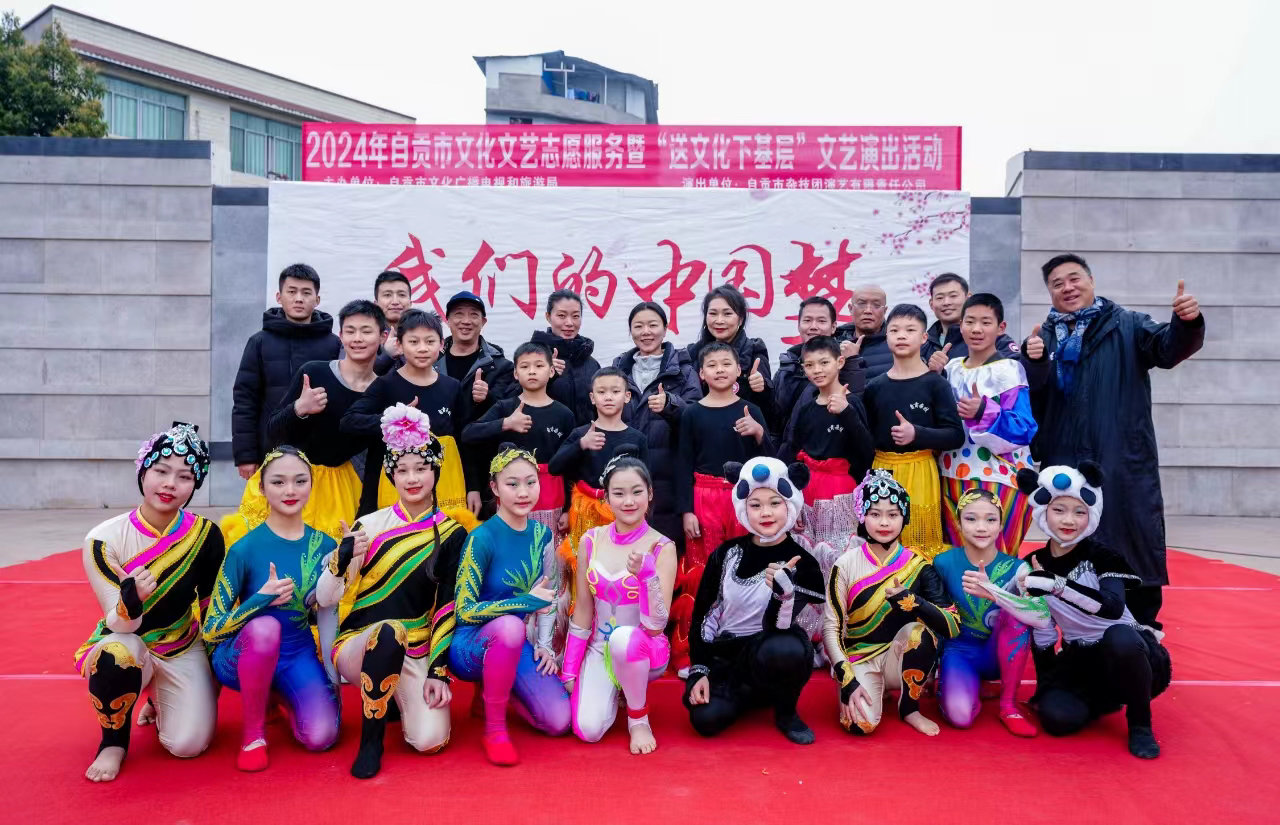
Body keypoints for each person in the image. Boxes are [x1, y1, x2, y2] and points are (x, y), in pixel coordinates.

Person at [1021, 254, 1204, 629]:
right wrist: (1032, 362)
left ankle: (1143, 622)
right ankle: (1075, 618)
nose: (1068, 288)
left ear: (1091, 280)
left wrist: (1186, 323)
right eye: (1057, 283)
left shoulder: (1129, 324)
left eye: (1074, 278)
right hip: (1065, 457)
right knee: (1070, 533)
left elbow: (1167, 349)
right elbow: (1034, 398)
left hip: (1120, 453)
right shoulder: (1045, 338)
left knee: (1131, 533)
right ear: (1050, 292)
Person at [315, 403, 475, 778]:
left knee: (430, 740)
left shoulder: (453, 533)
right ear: (390, 475)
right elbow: (325, 598)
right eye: (402, 470)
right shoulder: (368, 525)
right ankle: (371, 741)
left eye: (421, 468)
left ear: (436, 471)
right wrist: (341, 558)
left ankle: (394, 700)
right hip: (359, 644)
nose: (412, 478)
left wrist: (438, 671)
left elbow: (446, 606)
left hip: (417, 647)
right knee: (388, 631)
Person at [77, 423, 222, 783]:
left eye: (184, 476)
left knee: (188, 744)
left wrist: (216, 668)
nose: (170, 484)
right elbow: (119, 622)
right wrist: (132, 599)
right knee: (117, 654)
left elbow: (209, 606)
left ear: (195, 484)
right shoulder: (103, 540)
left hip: (181, 643)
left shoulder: (206, 534)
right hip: (127, 638)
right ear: (143, 471)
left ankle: (158, 698)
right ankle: (113, 742)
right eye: (161, 471)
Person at [1014, 462, 1172, 758]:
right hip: (1082, 661)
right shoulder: (1031, 563)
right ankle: (1106, 698)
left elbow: (1112, 608)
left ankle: (1140, 722)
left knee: (1120, 638)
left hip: (1130, 653)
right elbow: (1042, 627)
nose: (1069, 520)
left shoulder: (1104, 556)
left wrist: (1057, 585)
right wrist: (1046, 686)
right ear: (1043, 512)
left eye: (1079, 512)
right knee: (1057, 720)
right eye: (1059, 510)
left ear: (1092, 514)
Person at [203, 446, 341, 771]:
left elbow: (326, 612)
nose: (290, 490)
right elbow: (211, 629)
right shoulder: (244, 549)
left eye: (300, 481)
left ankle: (279, 695)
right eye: (278, 482)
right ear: (262, 488)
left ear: (311, 485)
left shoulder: (325, 545)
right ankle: (253, 736)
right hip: (242, 655)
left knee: (322, 737)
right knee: (267, 628)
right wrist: (259, 600)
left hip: (297, 654)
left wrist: (332, 682)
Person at [223, 300, 386, 546]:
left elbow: (375, 461)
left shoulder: (382, 391)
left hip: (338, 490)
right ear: (341, 336)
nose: (357, 339)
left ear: (382, 336)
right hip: (289, 477)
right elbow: (273, 431)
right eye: (350, 331)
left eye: (366, 331)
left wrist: (366, 515)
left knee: (329, 561)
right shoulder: (315, 373)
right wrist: (299, 408)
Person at [684, 457, 824, 744]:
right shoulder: (726, 554)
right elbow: (702, 616)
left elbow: (780, 627)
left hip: (773, 655)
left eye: (774, 503)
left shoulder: (803, 562)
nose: (766, 513)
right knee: (705, 720)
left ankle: (786, 712)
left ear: (790, 504)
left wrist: (783, 594)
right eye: (756, 505)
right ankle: (744, 696)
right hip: (729, 660)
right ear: (743, 509)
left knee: (785, 647)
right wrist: (699, 671)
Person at [450, 445, 570, 765]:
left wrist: (544, 646)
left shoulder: (543, 535)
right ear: (494, 488)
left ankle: (495, 691)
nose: (523, 492)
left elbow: (549, 594)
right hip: (470, 645)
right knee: (511, 626)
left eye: (531, 482)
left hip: (513, 642)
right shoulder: (481, 538)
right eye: (512, 484)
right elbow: (464, 611)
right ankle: (495, 730)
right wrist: (525, 602)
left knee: (558, 721)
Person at [822, 470, 959, 736]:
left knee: (920, 634)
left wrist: (914, 602)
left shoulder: (919, 566)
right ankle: (867, 686)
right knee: (859, 725)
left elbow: (952, 626)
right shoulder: (845, 564)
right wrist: (846, 677)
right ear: (862, 515)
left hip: (899, 657)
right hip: (859, 657)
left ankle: (909, 708)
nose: (884, 522)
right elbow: (831, 626)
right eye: (875, 514)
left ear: (904, 517)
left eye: (893, 514)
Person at [561, 451, 677, 753]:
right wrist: (570, 669)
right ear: (606, 498)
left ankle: (638, 719)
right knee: (588, 730)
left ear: (650, 494)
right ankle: (616, 689)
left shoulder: (662, 546)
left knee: (624, 639)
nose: (629, 501)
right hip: (600, 648)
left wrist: (647, 575)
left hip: (645, 649)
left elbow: (656, 625)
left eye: (637, 492)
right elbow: (583, 608)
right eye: (619, 493)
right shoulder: (591, 540)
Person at [672, 342, 774, 674]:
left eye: (726, 363)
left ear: (738, 370)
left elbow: (770, 461)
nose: (719, 369)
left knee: (746, 571)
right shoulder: (691, 413)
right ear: (701, 373)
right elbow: (682, 462)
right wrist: (687, 510)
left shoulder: (750, 410)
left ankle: (746, 649)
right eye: (712, 365)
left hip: (744, 498)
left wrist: (758, 433)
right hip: (704, 498)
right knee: (704, 574)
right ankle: (697, 651)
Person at [342, 309, 473, 518]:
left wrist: (473, 487)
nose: (422, 348)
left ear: (441, 345)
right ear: (400, 345)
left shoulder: (452, 387)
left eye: (430, 341)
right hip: (389, 488)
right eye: (413, 342)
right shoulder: (385, 385)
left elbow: (465, 439)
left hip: (445, 486)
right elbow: (349, 421)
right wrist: (394, 420)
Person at [932, 490, 1043, 737]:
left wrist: (995, 594)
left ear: (1001, 525)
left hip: (998, 653)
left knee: (1017, 614)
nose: (981, 527)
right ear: (958, 524)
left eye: (990, 519)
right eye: (971, 519)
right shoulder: (943, 563)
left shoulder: (1018, 568)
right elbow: (935, 616)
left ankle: (1008, 706)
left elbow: (1042, 618)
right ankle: (969, 687)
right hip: (960, 651)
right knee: (960, 718)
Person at [862, 304, 964, 559]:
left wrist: (917, 434)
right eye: (895, 330)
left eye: (910, 330)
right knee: (881, 537)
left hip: (921, 469)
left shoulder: (935, 384)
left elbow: (955, 435)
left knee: (919, 541)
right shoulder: (874, 386)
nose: (901, 335)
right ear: (886, 336)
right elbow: (865, 438)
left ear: (924, 337)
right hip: (881, 470)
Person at [938, 293, 1038, 553]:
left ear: (1001, 327)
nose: (977, 329)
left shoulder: (1009, 370)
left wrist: (984, 410)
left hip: (998, 477)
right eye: (970, 321)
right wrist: (931, 375)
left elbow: (1024, 428)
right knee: (958, 558)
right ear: (961, 325)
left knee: (997, 559)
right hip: (950, 476)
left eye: (985, 322)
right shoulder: (951, 368)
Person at [231, 263, 341, 480]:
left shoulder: (334, 344)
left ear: (317, 300)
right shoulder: (259, 342)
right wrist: (245, 455)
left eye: (306, 293)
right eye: (292, 291)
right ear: (279, 297)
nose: (299, 298)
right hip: (270, 448)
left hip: (322, 453)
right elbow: (245, 400)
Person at [461, 341, 576, 536]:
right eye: (524, 366)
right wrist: (506, 423)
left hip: (551, 497)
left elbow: (571, 465)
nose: (532, 371)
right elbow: (468, 434)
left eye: (539, 365)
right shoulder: (505, 407)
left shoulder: (564, 414)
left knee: (548, 548)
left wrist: (568, 508)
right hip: (511, 493)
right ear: (515, 373)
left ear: (551, 371)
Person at [612, 301, 702, 548]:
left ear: (665, 327)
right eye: (638, 326)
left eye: (653, 325)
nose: (646, 332)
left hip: (669, 476)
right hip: (624, 475)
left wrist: (670, 404)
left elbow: (695, 415)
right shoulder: (618, 370)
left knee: (664, 551)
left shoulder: (684, 371)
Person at [777, 335, 874, 554]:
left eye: (824, 363)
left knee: (839, 550)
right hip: (808, 489)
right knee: (807, 549)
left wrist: (846, 412)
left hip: (840, 490)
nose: (817, 370)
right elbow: (793, 450)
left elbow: (867, 452)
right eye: (810, 365)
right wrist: (792, 499)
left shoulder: (852, 403)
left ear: (840, 362)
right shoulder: (806, 408)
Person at [548, 367, 650, 575]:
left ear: (627, 396)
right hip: (585, 513)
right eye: (602, 392)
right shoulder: (581, 434)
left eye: (615, 391)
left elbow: (646, 483)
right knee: (585, 567)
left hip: (623, 511)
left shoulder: (637, 438)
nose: (608, 397)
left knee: (620, 568)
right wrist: (581, 445)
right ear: (592, 398)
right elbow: (555, 467)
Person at [439, 290, 517, 490]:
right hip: (436, 462)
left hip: (483, 466)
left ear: (483, 322)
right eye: (459, 314)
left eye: (473, 315)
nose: (466, 321)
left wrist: (487, 398)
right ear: (447, 320)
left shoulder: (500, 366)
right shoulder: (430, 361)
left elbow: (508, 413)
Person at [684, 285, 775, 429]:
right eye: (713, 313)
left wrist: (762, 388)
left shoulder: (754, 350)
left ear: (740, 319)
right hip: (702, 430)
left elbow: (769, 411)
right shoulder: (693, 353)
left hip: (742, 431)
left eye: (727, 314)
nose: (719, 320)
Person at [775, 297, 867, 425]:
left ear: (833, 327)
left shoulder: (845, 359)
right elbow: (776, 414)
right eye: (807, 320)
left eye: (821, 321)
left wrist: (852, 361)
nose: (813, 327)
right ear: (799, 325)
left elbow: (856, 405)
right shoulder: (788, 363)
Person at [922, 273, 1018, 371]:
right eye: (940, 298)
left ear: (968, 297)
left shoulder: (996, 340)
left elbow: (1016, 371)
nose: (946, 302)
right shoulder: (922, 343)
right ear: (931, 304)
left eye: (953, 296)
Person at [532, 289, 600, 426]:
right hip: (546, 436)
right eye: (562, 316)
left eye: (575, 316)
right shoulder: (531, 356)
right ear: (548, 316)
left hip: (588, 437)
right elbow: (516, 398)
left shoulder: (591, 363)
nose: (569, 323)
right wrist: (544, 375)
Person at [835, 285, 893, 380]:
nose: (868, 311)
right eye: (861, 304)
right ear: (850, 308)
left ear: (885, 311)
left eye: (876, 305)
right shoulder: (834, 343)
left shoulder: (896, 344)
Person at [373, 270, 412, 375]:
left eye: (402, 295)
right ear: (376, 304)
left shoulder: (422, 334)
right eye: (387, 295)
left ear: (410, 303)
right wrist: (387, 355)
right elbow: (355, 375)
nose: (395, 301)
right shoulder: (363, 335)